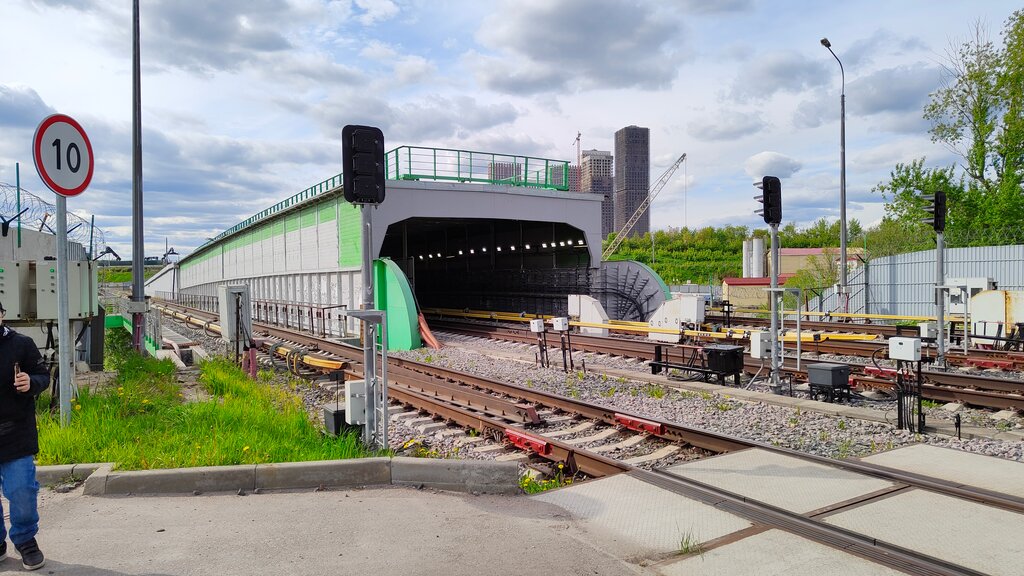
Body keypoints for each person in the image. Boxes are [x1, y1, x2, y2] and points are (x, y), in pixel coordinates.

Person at [0, 302, 50, 571]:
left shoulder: (22, 344)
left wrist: (31, 382)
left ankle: (25, 539)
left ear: (2, 314)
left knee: (21, 491)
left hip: (15, 432)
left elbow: (43, 376)